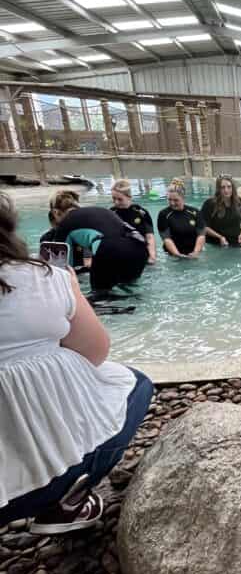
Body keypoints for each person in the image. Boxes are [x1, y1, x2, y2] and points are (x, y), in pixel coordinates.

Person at [0, 192, 153, 533]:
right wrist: (68, 291)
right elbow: (96, 352)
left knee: (103, 290)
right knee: (136, 383)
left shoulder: (58, 233)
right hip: (133, 248)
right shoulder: (42, 276)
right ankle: (64, 500)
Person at [50, 190, 149, 294]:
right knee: (129, 290)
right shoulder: (99, 210)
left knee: (100, 297)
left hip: (111, 250)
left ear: (55, 212)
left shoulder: (65, 224)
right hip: (140, 246)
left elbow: (61, 267)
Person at [110, 179, 157, 264]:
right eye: (113, 198)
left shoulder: (141, 212)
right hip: (121, 256)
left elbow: (149, 236)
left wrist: (152, 256)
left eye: (120, 199)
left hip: (141, 253)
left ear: (129, 197)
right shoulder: (110, 213)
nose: (116, 202)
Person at [157, 180, 205, 259]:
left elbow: (201, 235)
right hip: (172, 255)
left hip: (195, 252)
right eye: (169, 200)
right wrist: (177, 254)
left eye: (176, 200)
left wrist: (196, 252)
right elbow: (166, 238)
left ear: (183, 198)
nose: (172, 203)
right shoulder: (163, 214)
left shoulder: (194, 212)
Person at [200, 174, 241, 247]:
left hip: (236, 240)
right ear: (218, 189)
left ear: (233, 188)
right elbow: (203, 226)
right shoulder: (209, 204)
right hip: (215, 242)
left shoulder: (240, 202)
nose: (226, 190)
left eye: (229, 187)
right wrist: (220, 237)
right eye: (223, 187)